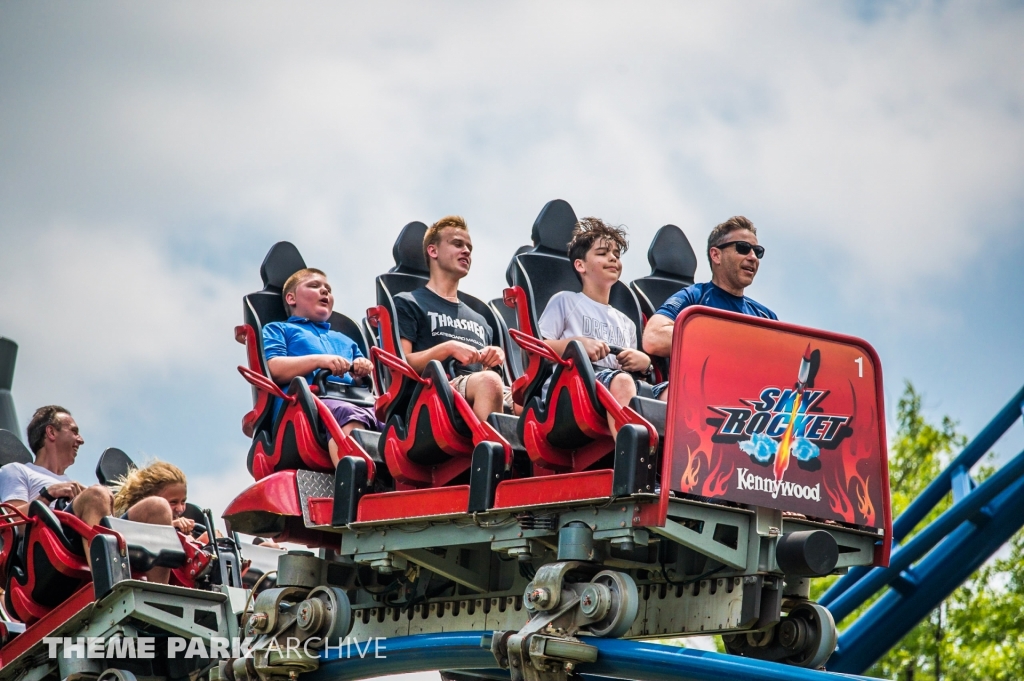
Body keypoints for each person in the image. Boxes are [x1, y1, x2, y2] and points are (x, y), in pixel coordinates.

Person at [537, 218, 661, 435]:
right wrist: (575, 346)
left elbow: (633, 378)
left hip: (616, 384)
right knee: (622, 381)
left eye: (616, 254)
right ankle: (631, 461)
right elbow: (539, 349)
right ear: (580, 265)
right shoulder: (565, 301)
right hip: (570, 389)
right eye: (603, 253)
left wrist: (645, 365)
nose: (613, 258)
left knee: (670, 393)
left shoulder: (627, 323)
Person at [393, 215, 512, 422]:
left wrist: (494, 358)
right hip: (431, 395)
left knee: (526, 396)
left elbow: (484, 373)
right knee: (490, 383)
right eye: (457, 244)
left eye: (469, 248)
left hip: (477, 387)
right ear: (433, 251)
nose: (466, 251)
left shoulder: (481, 319)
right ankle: (490, 452)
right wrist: (448, 348)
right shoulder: (408, 302)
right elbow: (401, 364)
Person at [263, 268, 382, 467]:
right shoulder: (280, 329)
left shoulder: (345, 340)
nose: (325, 291)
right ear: (291, 298)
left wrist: (362, 370)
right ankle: (355, 485)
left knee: (392, 420)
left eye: (328, 288)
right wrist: (319, 361)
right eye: (314, 286)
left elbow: (364, 382)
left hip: (354, 401)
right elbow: (274, 368)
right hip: (303, 407)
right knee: (347, 413)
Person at [642, 216, 776, 393]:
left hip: (750, 405)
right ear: (716, 255)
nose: (752, 257)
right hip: (698, 395)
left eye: (757, 252)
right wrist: (726, 342)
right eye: (743, 248)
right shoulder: (694, 297)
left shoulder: (766, 316)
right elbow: (654, 338)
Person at [0, 405, 114, 556]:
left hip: (79, 539)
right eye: (74, 431)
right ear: (51, 432)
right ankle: (109, 574)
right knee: (97, 494)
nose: (81, 440)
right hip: (47, 550)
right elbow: (13, 525)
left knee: (151, 506)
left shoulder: (75, 485)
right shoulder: (18, 470)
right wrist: (48, 494)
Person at [112, 460, 195, 583]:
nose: (180, 509)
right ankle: (160, 592)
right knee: (159, 507)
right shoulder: (151, 509)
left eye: (183, 502)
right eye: (173, 502)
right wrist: (168, 529)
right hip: (127, 561)